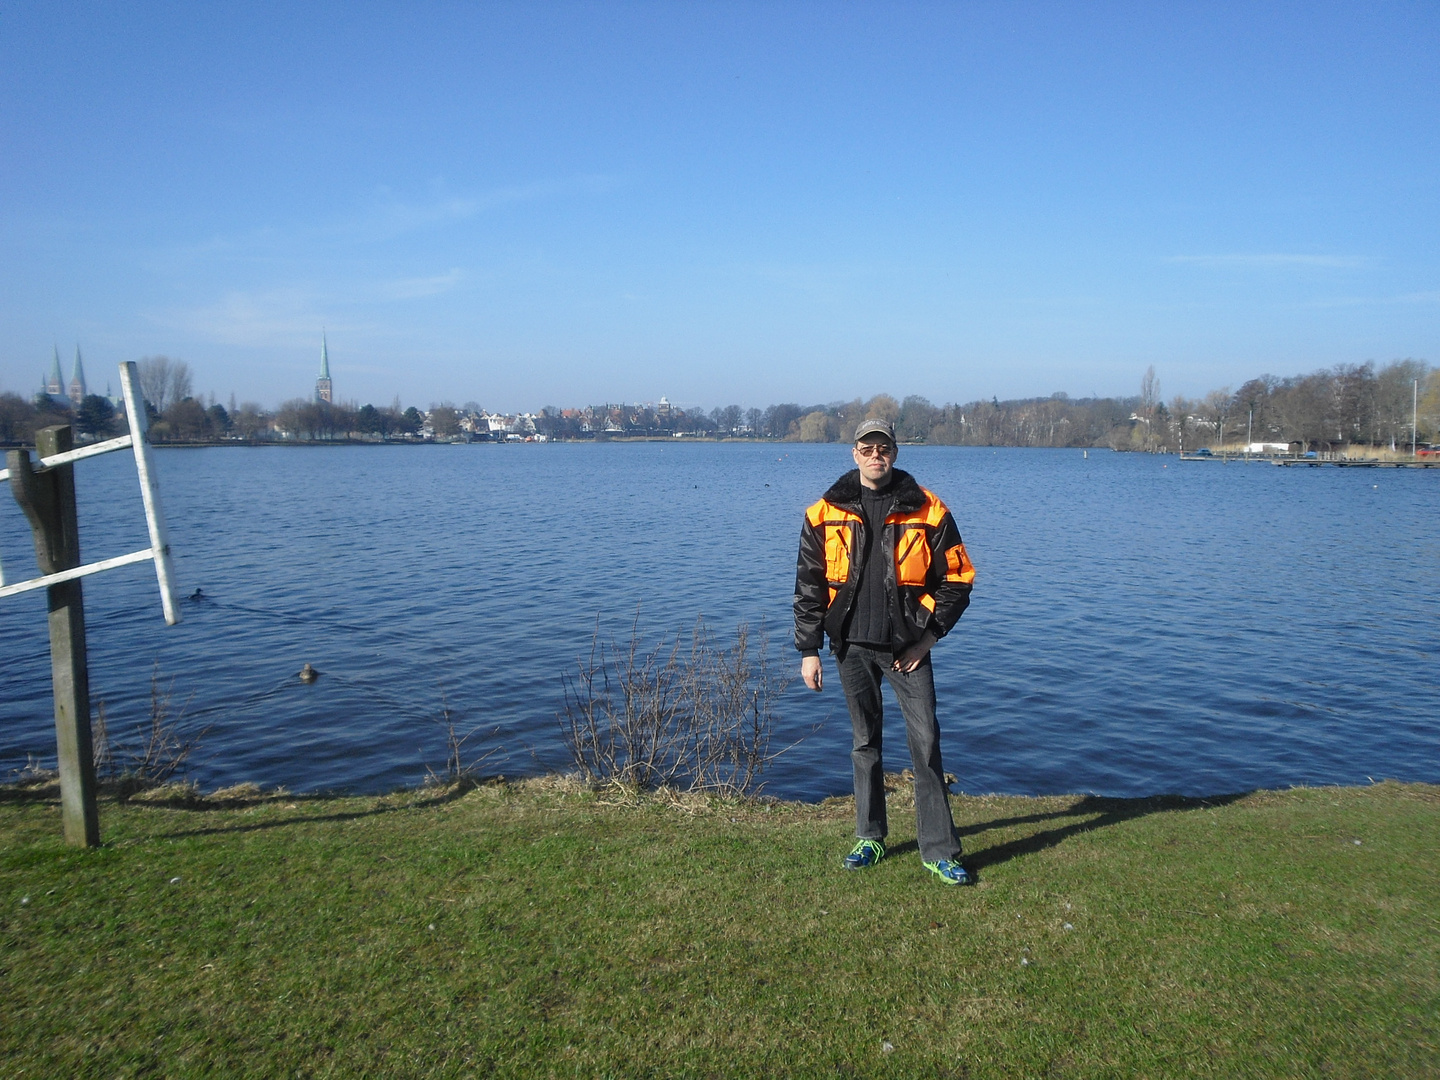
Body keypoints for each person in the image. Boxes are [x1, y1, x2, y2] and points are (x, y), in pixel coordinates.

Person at [792, 418, 976, 885]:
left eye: (884, 448)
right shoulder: (822, 512)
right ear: (853, 452)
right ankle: (870, 835)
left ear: (895, 452)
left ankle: (938, 850)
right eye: (867, 447)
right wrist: (808, 649)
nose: (876, 456)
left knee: (927, 744)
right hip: (849, 646)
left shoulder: (929, 510)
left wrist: (927, 638)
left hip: (907, 650)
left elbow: (958, 579)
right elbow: (809, 587)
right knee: (864, 743)